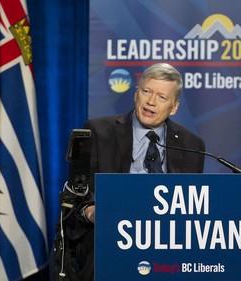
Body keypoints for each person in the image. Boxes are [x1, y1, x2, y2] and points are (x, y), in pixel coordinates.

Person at [57, 63, 205, 281]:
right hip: (112, 225)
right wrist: (90, 211)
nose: (151, 102)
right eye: (146, 91)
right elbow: (81, 189)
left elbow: (191, 200)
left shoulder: (191, 144)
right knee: (106, 244)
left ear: (174, 107)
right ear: (136, 94)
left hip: (166, 232)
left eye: (162, 97)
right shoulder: (99, 130)